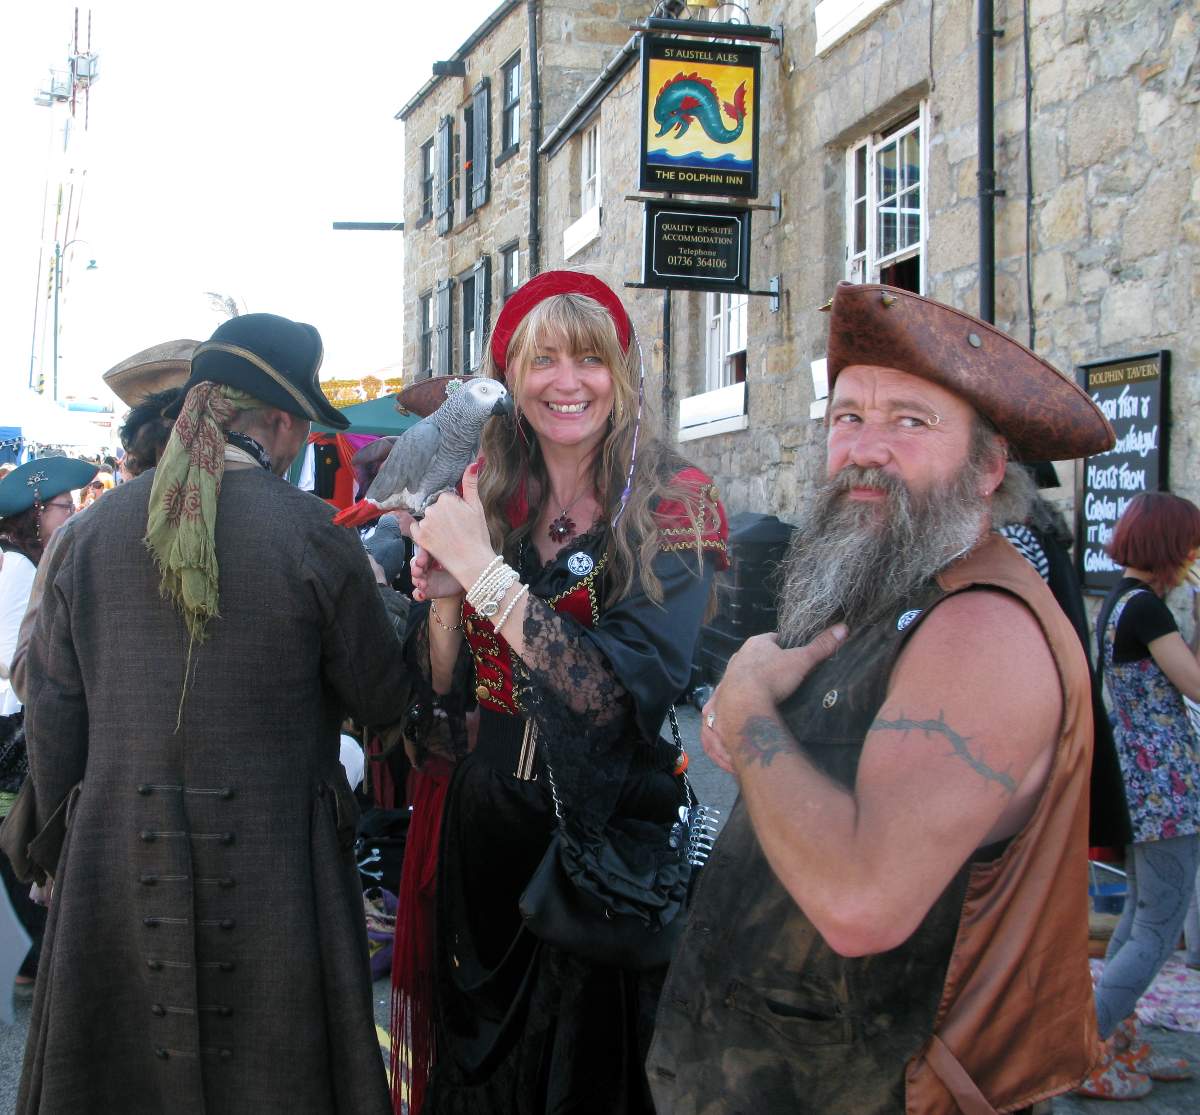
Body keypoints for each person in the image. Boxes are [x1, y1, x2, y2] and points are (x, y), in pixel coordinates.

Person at [648, 281, 1116, 1114]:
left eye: (911, 420)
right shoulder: (895, 585)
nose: (866, 448)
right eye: (848, 417)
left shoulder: (983, 629)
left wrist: (749, 702)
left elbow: (862, 903)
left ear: (990, 465)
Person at [10, 313, 413, 1113]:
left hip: (117, 860)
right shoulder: (314, 537)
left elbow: (52, 724)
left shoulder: (86, 536)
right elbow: (382, 698)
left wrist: (54, 855)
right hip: (280, 868)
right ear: (282, 422)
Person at [390, 270, 728, 1115]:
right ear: (513, 379)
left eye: (590, 360)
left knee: (583, 1082)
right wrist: (438, 602)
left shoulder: (671, 502)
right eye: (544, 361)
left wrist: (480, 569)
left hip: (603, 842)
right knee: (478, 1081)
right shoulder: (490, 493)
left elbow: (610, 698)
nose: (567, 382)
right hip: (485, 826)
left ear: (622, 373)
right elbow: (441, 699)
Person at [1075, 491, 1200, 1099]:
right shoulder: (1147, 609)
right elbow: (1196, 684)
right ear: (1170, 546)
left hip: (1137, 779)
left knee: (1138, 914)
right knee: (1158, 923)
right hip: (1165, 785)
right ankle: (1082, 1049)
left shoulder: (1120, 602)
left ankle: (1111, 1037)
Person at [0, 457, 97, 997]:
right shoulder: (18, 567)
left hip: (11, 717)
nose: (73, 512)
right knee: (21, 830)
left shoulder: (19, 561)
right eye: (65, 506)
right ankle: (31, 956)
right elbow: (14, 658)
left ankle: (27, 954)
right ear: (37, 514)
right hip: (10, 722)